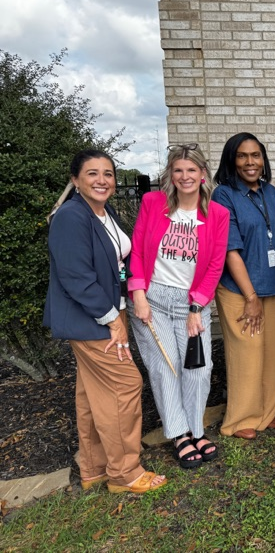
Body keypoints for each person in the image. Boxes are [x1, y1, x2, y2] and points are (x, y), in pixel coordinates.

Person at [44, 149, 167, 494]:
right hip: (93, 319)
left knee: (92, 394)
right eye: (92, 174)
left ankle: (94, 467)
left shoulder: (102, 211)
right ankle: (125, 472)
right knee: (124, 385)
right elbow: (76, 277)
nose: (102, 180)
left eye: (108, 174)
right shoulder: (71, 216)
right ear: (75, 180)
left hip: (107, 313)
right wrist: (113, 319)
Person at [128, 144, 229, 469]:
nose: (185, 176)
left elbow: (214, 265)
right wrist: (138, 294)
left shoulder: (217, 214)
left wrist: (197, 308)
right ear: (171, 174)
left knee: (198, 370)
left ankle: (197, 430)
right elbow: (139, 252)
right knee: (165, 368)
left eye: (191, 170)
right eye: (179, 170)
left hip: (191, 303)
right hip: (153, 300)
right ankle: (179, 433)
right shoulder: (152, 203)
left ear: (202, 174)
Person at [212, 133, 275, 440]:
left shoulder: (270, 192)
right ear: (232, 160)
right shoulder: (223, 195)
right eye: (243, 156)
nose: (250, 162)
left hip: (273, 282)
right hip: (240, 288)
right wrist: (250, 296)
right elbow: (230, 249)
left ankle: (265, 412)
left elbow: (272, 233)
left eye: (255, 155)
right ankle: (241, 418)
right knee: (247, 351)